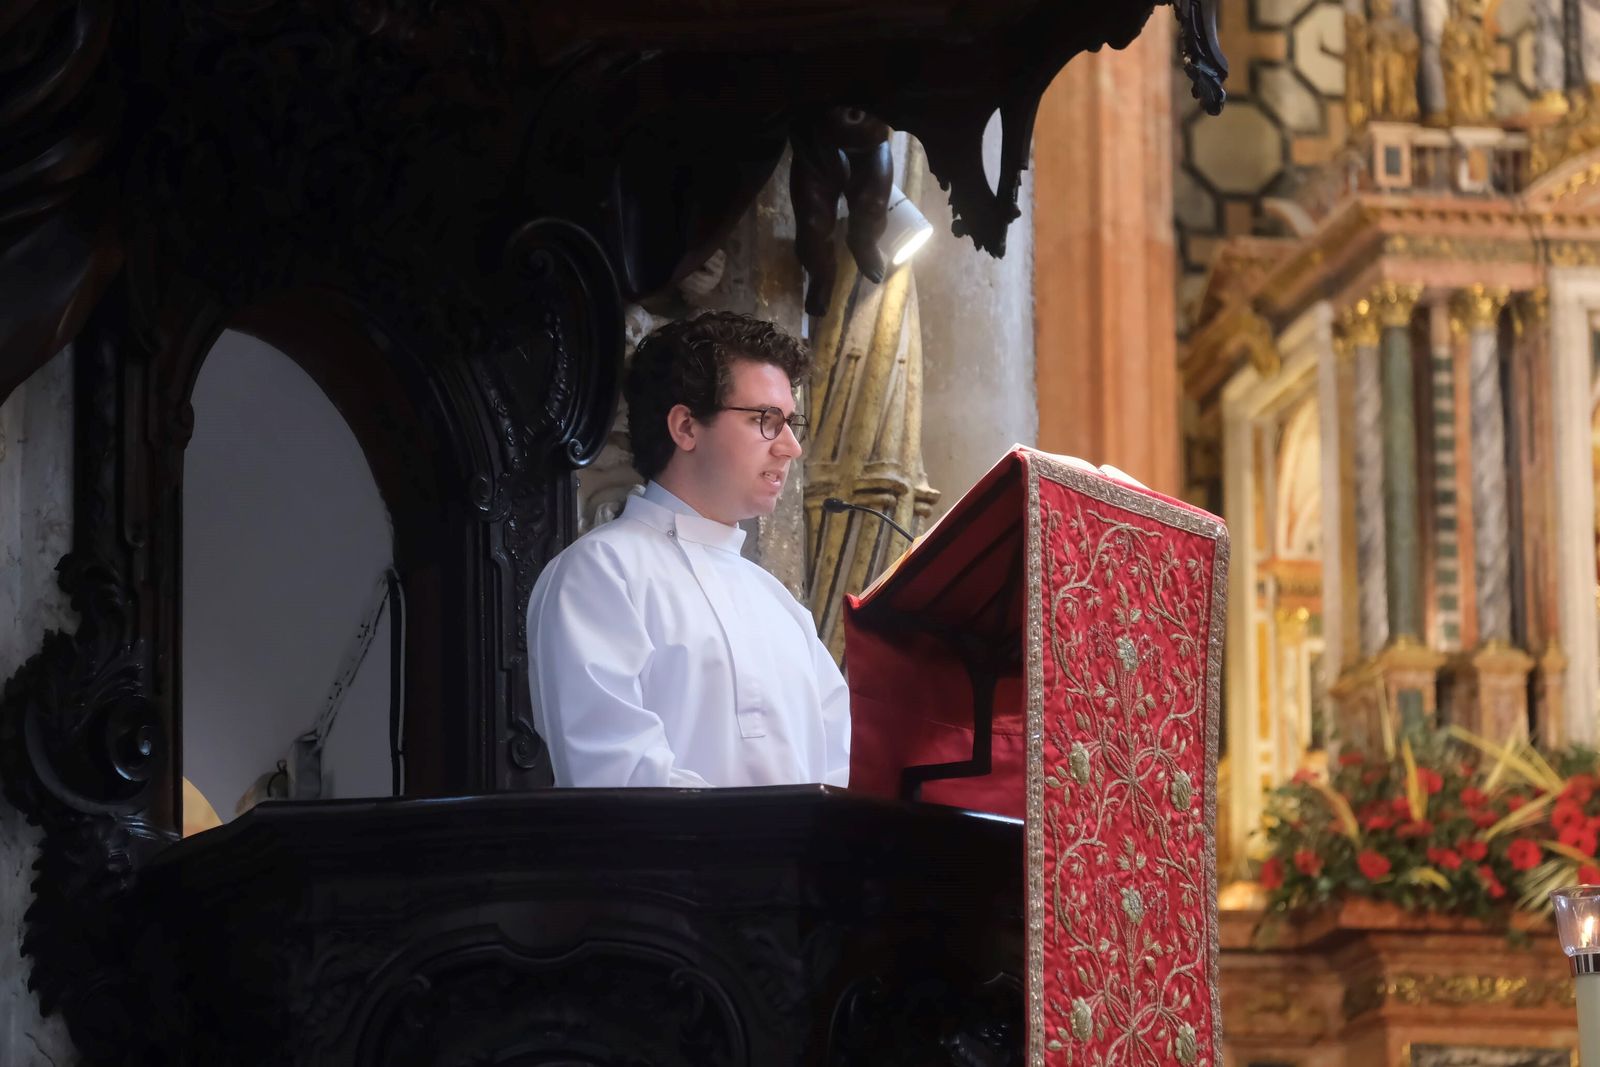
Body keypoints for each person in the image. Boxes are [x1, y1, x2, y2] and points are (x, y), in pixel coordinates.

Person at [527, 311, 850, 788]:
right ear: (686, 427)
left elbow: (844, 771)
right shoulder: (600, 573)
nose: (790, 447)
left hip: (800, 862)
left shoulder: (781, 606)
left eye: (791, 423)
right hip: (675, 862)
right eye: (766, 420)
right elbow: (617, 776)